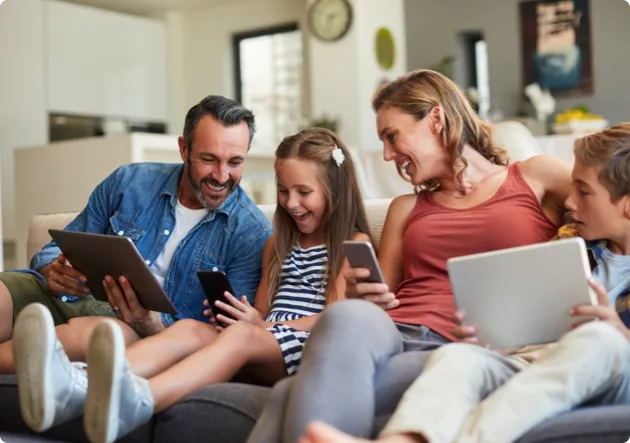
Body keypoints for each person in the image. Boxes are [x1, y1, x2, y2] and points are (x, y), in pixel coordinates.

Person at [246, 69, 572, 443]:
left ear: (435, 118)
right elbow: (380, 293)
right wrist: (358, 293)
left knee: (290, 393)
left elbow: (611, 192)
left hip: (455, 342)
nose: (387, 155)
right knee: (348, 314)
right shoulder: (406, 208)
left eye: (391, 136)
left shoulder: (535, 177)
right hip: (391, 331)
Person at [12, 128, 374, 443]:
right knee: (192, 328)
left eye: (304, 192)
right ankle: (82, 383)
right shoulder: (275, 245)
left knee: (240, 337)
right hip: (260, 341)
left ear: (335, 190)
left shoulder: (351, 244)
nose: (291, 203)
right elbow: (261, 310)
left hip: (307, 345)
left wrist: (261, 328)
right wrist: (249, 317)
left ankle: (139, 399)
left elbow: (336, 318)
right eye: (283, 191)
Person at [298, 123, 630, 443]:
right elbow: (530, 326)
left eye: (584, 192)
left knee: (601, 339)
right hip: (531, 362)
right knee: (458, 358)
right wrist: (491, 337)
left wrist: (620, 332)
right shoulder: (569, 248)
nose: (570, 202)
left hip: (612, 369)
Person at [0, 94, 271, 376]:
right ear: (183, 148)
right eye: (209, 159)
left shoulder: (250, 232)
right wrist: (52, 268)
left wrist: (149, 323)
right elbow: (58, 247)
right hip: (68, 297)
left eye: (235, 162)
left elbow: (226, 341)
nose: (222, 175)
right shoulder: (130, 182)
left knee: (95, 335)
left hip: (135, 332)